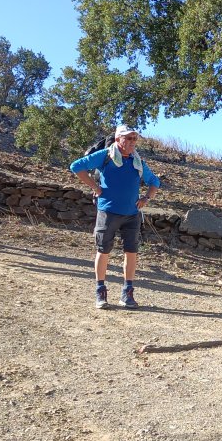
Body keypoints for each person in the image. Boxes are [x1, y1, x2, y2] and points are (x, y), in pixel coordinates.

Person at [70, 124, 161, 309]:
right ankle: (100, 292)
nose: (132, 142)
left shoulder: (137, 161)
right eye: (128, 138)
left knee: (131, 252)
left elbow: (154, 181)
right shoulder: (106, 155)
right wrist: (95, 187)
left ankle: (127, 293)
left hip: (132, 214)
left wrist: (146, 198)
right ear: (118, 138)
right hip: (108, 212)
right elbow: (76, 166)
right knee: (103, 250)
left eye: (134, 138)